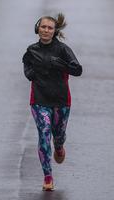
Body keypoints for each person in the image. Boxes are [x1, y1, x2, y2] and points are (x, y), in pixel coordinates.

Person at [22, 13, 83, 191]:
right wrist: (29, 74)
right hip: (39, 100)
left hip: (61, 100)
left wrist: (61, 64)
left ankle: (59, 145)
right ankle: (48, 177)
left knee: (58, 135)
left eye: (50, 28)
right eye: (43, 27)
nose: (46, 30)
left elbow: (78, 70)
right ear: (37, 29)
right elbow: (26, 63)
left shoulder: (63, 50)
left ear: (55, 31)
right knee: (44, 134)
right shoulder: (32, 50)